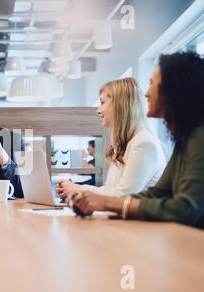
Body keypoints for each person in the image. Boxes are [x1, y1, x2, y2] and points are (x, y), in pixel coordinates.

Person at [71, 52, 204, 229]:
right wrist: (100, 201)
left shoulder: (199, 138)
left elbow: (185, 209)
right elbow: (156, 194)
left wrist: (109, 203)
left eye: (152, 84)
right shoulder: (185, 139)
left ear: (174, 91)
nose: (147, 94)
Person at [56, 77, 166, 198]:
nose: (98, 110)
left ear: (119, 105)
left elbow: (122, 196)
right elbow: (110, 190)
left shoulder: (144, 143)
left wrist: (78, 189)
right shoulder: (124, 145)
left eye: (102, 102)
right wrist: (73, 190)